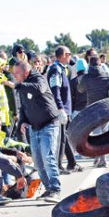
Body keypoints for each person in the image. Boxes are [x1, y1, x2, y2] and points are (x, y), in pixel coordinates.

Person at [12, 60, 62, 203]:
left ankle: (55, 190)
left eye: (17, 73)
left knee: (48, 157)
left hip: (49, 125)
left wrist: (20, 85)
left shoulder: (38, 78)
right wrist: (22, 121)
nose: (15, 76)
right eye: (14, 74)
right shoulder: (22, 86)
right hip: (34, 127)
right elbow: (23, 107)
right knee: (38, 163)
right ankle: (48, 189)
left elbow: (39, 88)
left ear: (26, 71)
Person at [77, 56, 109, 167]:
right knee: (104, 134)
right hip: (105, 108)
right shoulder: (106, 75)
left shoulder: (86, 77)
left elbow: (80, 89)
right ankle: (102, 159)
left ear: (89, 65)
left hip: (92, 109)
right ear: (100, 64)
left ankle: (98, 157)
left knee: (95, 135)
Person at [46, 46, 81, 174]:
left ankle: (70, 163)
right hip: (60, 109)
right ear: (63, 55)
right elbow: (55, 91)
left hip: (65, 109)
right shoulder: (56, 70)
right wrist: (60, 108)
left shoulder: (62, 69)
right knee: (61, 138)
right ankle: (60, 166)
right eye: (69, 54)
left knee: (64, 138)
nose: (70, 56)